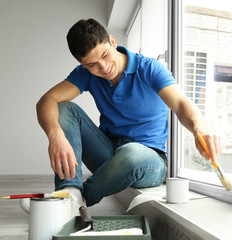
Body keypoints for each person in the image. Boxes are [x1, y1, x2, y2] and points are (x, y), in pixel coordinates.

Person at [28, 18, 220, 222]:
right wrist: (55, 136)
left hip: (148, 160)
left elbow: (181, 103)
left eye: (105, 55)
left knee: (131, 153)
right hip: (110, 156)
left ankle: (75, 198)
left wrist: (200, 129)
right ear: (82, 64)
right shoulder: (86, 74)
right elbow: (46, 101)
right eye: (92, 64)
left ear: (112, 41)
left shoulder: (149, 68)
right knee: (64, 107)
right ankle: (68, 191)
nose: (103, 67)